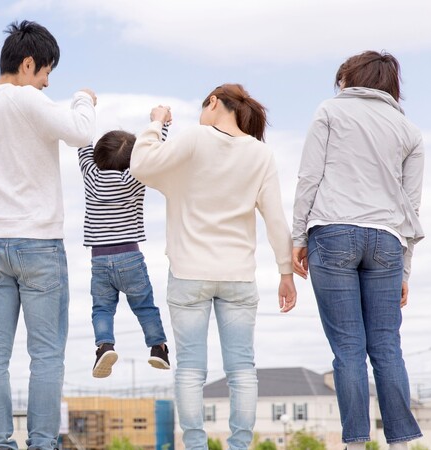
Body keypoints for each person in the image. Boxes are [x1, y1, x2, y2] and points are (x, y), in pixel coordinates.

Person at [130, 84, 297, 450]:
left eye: (203, 107)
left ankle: (194, 445)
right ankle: (239, 446)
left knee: (190, 369)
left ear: (214, 103)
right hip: (238, 276)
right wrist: (286, 272)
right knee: (242, 370)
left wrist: (156, 122)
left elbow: (142, 164)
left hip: (189, 273)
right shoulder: (260, 155)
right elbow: (275, 217)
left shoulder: (195, 138)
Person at [0, 20, 96, 450]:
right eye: (46, 72)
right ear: (28, 63)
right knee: (46, 355)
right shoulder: (25, 100)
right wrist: (83, 99)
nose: (47, 82)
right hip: (39, 243)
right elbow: (81, 132)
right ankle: (41, 443)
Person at [291, 51, 424, 450]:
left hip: (332, 233)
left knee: (348, 348)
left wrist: (298, 237)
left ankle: (354, 444)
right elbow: (411, 208)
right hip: (387, 240)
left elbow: (309, 176)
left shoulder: (330, 112)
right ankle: (400, 443)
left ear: (350, 77)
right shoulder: (408, 130)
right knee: (386, 347)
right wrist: (404, 270)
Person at [78, 125, 173, 379]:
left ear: (97, 157)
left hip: (98, 259)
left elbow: (82, 142)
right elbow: (152, 155)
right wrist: (161, 125)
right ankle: (158, 348)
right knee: (145, 307)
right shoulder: (135, 177)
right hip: (130, 257)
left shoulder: (91, 177)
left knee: (102, 309)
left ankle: (104, 346)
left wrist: (84, 105)